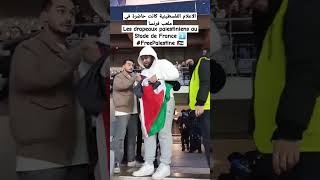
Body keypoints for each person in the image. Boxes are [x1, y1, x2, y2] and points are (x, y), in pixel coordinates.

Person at [9, 0, 100, 179]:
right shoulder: (27, 49)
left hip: (80, 158)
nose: (68, 18)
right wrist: (78, 51)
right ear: (44, 17)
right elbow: (40, 79)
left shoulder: (71, 52)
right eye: (61, 11)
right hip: (42, 161)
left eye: (72, 13)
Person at [246, 0, 320, 180]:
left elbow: (307, 69)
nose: (227, 7)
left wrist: (289, 132)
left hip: (302, 145)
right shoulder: (278, 14)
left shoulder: (303, 6)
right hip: (291, 144)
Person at [132, 46, 179, 179]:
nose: (145, 60)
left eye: (147, 57)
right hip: (148, 106)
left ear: (153, 56)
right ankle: (148, 164)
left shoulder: (163, 63)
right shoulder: (143, 72)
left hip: (165, 102)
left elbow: (175, 75)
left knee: (164, 133)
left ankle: (165, 165)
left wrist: (158, 76)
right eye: (143, 58)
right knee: (148, 133)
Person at [111, 59, 141, 174]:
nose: (131, 66)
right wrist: (134, 78)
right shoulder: (119, 77)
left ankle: (131, 160)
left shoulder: (133, 77)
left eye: (132, 65)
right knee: (119, 137)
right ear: (123, 66)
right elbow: (122, 87)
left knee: (133, 137)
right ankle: (115, 162)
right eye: (129, 64)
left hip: (134, 110)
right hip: (122, 110)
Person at [188, 49, 211, 166]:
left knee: (208, 138)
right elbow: (197, 81)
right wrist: (192, 66)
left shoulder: (205, 62)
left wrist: (200, 102)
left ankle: (211, 165)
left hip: (205, 107)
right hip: (203, 107)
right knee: (206, 138)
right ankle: (210, 165)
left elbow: (206, 82)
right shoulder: (200, 64)